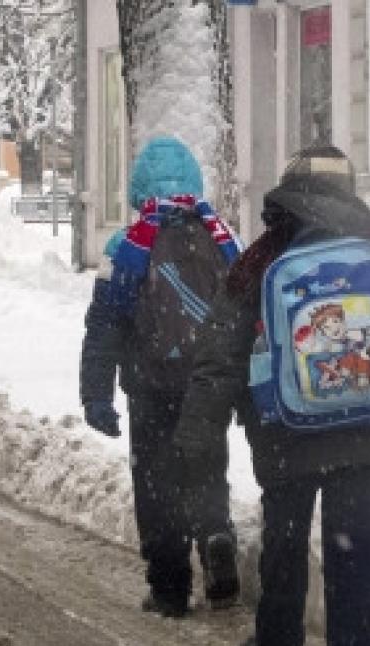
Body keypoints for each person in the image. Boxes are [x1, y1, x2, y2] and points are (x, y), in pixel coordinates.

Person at [172, 146, 370, 646]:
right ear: (350, 192)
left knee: (284, 546)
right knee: (353, 553)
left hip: (288, 431)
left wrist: (200, 427)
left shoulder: (260, 261)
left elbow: (221, 354)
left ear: (289, 194)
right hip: (367, 427)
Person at [79, 136, 243, 618]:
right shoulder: (222, 240)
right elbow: (243, 317)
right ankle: (215, 535)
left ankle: (170, 587)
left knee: (157, 485)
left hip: (150, 389)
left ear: (140, 188)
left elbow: (105, 324)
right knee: (207, 468)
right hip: (208, 386)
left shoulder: (127, 247)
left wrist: (96, 394)